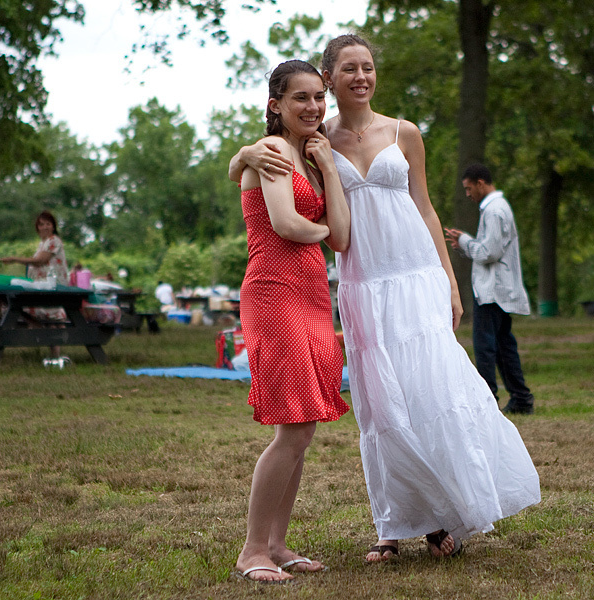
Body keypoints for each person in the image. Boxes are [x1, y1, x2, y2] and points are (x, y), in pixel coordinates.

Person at [230, 34, 540, 563]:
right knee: (381, 406)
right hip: (362, 281)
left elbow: (425, 208)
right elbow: (259, 175)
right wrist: (242, 154)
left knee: (433, 394)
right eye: (348, 68)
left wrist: (449, 279)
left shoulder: (404, 132)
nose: (360, 76)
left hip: (416, 272)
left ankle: (446, 516)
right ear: (327, 78)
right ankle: (391, 525)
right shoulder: (312, 137)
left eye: (368, 66)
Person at [232, 60, 351, 584]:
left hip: (310, 294)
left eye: (320, 97)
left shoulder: (309, 155)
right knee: (292, 429)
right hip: (275, 293)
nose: (313, 107)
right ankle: (252, 548)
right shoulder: (274, 151)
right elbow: (286, 224)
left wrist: (328, 170)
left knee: (303, 433)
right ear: (276, 104)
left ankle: (278, 544)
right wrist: (323, 226)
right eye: (300, 97)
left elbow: (340, 238)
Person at [445, 164, 535, 414]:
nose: (467, 194)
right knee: (505, 346)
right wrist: (465, 245)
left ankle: (488, 401)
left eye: (469, 188)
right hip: (497, 290)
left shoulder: (494, 211)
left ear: (481, 183)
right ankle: (521, 398)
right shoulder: (496, 208)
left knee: (485, 347)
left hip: (493, 291)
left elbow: (489, 252)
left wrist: (465, 241)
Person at [0, 210, 70, 357]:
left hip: (53, 287)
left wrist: (14, 259)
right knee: (48, 319)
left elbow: (40, 261)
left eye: (48, 224)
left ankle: (50, 347)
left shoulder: (54, 241)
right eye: (41, 224)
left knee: (41, 314)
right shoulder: (42, 243)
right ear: (37, 227)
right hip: (42, 286)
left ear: (53, 226)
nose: (44, 227)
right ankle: (53, 352)